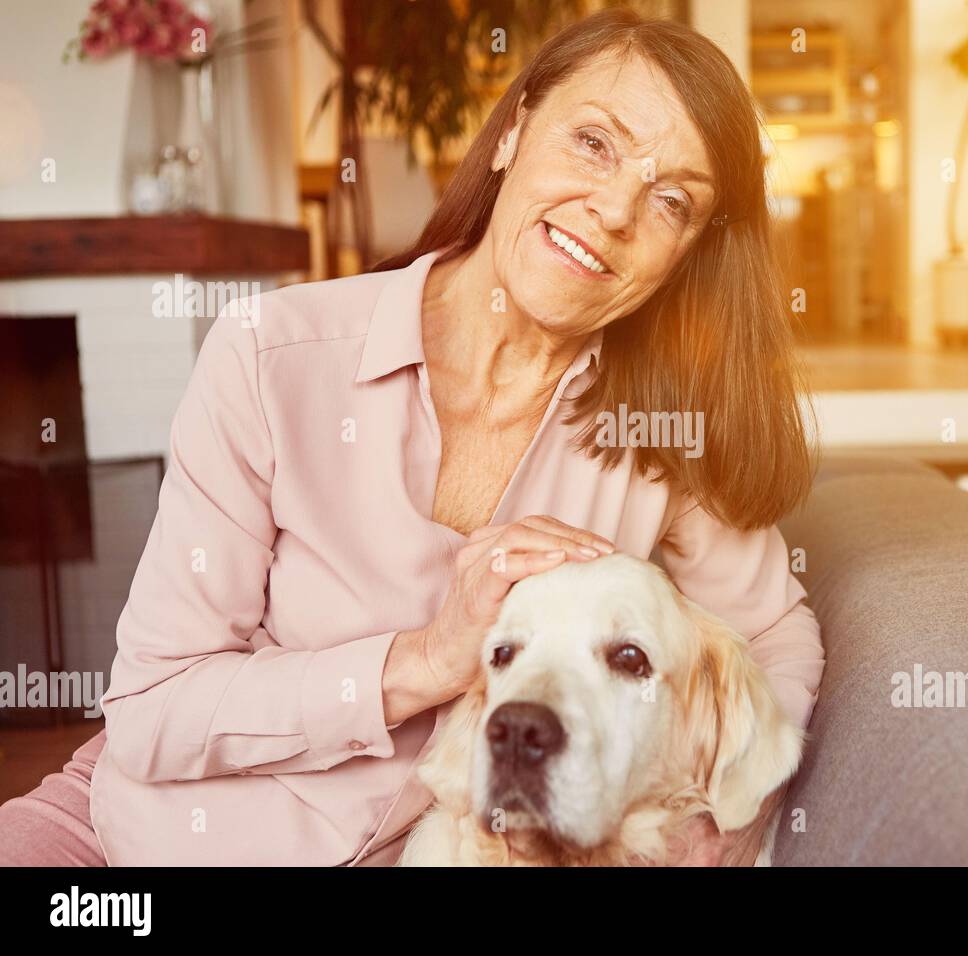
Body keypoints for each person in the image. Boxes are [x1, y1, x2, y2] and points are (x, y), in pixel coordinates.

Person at [0, 7, 824, 866]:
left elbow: (774, 635)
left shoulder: (665, 433)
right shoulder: (268, 359)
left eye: (672, 202)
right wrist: (424, 661)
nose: (615, 209)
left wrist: (729, 824)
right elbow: (153, 708)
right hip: (132, 838)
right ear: (512, 130)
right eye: (593, 143)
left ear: (687, 252)